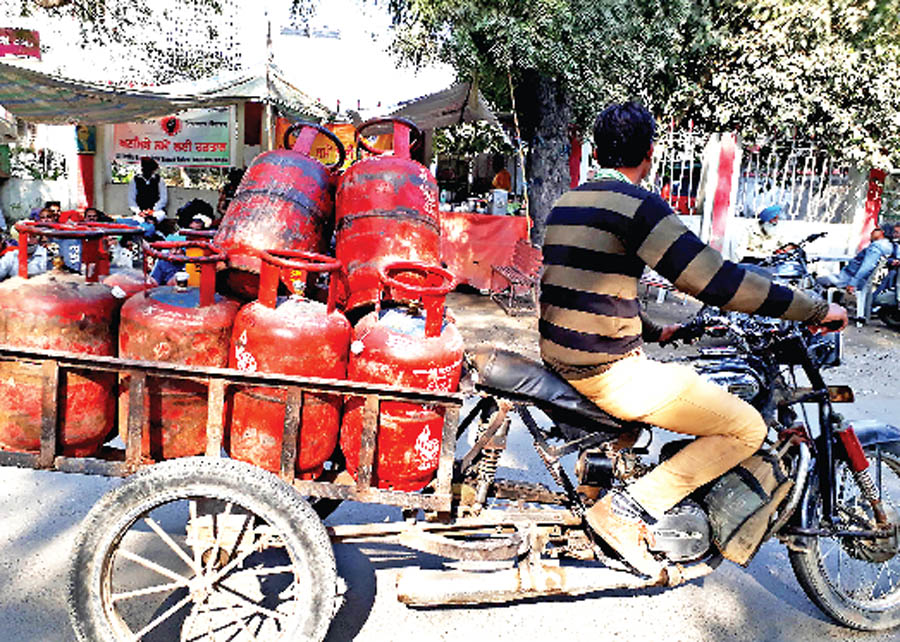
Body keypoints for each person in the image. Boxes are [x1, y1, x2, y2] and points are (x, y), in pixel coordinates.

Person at [539, 102, 847, 578]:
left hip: (560, 354)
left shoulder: (569, 201)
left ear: (597, 151)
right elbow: (715, 282)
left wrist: (655, 331)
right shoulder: (638, 207)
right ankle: (626, 512)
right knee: (747, 428)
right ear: (650, 153)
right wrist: (816, 308)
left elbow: (584, 284)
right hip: (606, 372)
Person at [817, 225, 895, 297]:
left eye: (875, 230)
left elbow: (867, 266)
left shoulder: (876, 247)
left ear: (882, 232)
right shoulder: (888, 247)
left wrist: (853, 283)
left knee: (817, 281)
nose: (871, 232)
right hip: (858, 279)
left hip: (846, 279)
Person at [127, 157, 168, 223]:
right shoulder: (135, 180)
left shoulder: (159, 180)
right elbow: (131, 200)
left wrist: (153, 210)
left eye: (150, 170)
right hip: (140, 211)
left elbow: (163, 198)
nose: (147, 171)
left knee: (160, 215)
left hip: (156, 211)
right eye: (145, 169)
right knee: (139, 220)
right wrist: (139, 211)